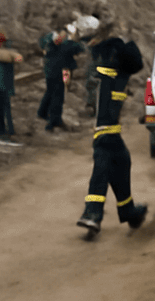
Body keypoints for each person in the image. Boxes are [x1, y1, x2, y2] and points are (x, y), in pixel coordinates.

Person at [76, 37, 148, 238]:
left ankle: (127, 212)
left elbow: (104, 57)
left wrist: (104, 45)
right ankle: (93, 213)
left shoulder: (111, 73)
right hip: (106, 133)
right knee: (102, 171)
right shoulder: (116, 74)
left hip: (110, 133)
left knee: (121, 164)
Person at [36, 26, 86, 131]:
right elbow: (79, 48)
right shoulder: (66, 44)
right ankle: (54, 121)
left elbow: (42, 46)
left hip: (50, 70)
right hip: (61, 71)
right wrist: (74, 39)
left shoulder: (48, 40)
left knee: (50, 92)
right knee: (58, 95)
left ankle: (43, 113)